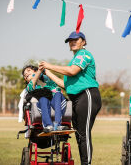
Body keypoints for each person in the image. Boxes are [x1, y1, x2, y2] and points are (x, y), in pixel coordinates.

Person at [39, 31, 101, 165]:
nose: (72, 42)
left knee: (84, 133)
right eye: (70, 41)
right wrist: (47, 72)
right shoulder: (73, 60)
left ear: (83, 42)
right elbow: (64, 85)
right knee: (79, 135)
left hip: (87, 95)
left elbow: (72, 71)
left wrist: (50, 65)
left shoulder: (84, 54)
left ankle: (87, 164)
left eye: (75, 40)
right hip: (76, 98)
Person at [22, 65, 68, 132]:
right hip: (43, 103)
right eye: (25, 74)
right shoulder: (29, 86)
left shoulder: (45, 78)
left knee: (58, 94)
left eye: (28, 71)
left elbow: (42, 74)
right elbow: (31, 86)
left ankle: (58, 125)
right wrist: (38, 72)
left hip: (56, 99)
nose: (26, 73)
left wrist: (41, 69)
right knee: (43, 99)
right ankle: (48, 125)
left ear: (35, 71)